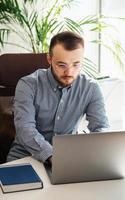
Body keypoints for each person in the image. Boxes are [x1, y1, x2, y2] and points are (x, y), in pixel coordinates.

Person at [7, 31, 109, 164]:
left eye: (76, 64)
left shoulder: (91, 88)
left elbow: (101, 127)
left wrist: (96, 149)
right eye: (62, 65)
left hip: (69, 159)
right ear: (49, 59)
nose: (69, 72)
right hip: (25, 157)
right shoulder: (28, 84)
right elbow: (25, 128)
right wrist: (54, 157)